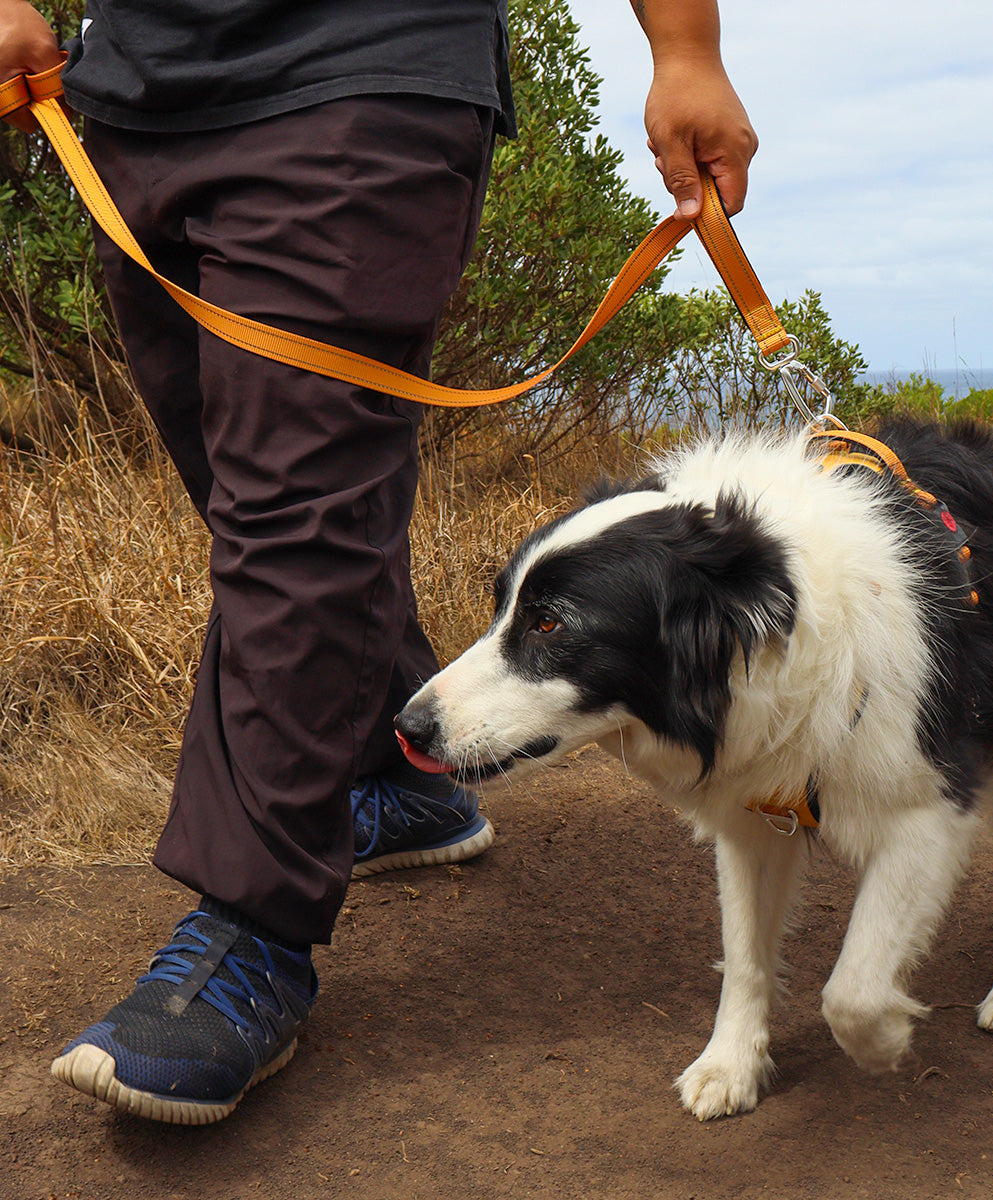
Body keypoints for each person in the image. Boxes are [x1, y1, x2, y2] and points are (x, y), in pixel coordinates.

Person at [0, 0, 756, 1124]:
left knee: (290, 510)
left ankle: (253, 932)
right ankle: (400, 778)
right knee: (246, 483)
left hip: (364, 74)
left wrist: (684, 48)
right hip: (129, 89)